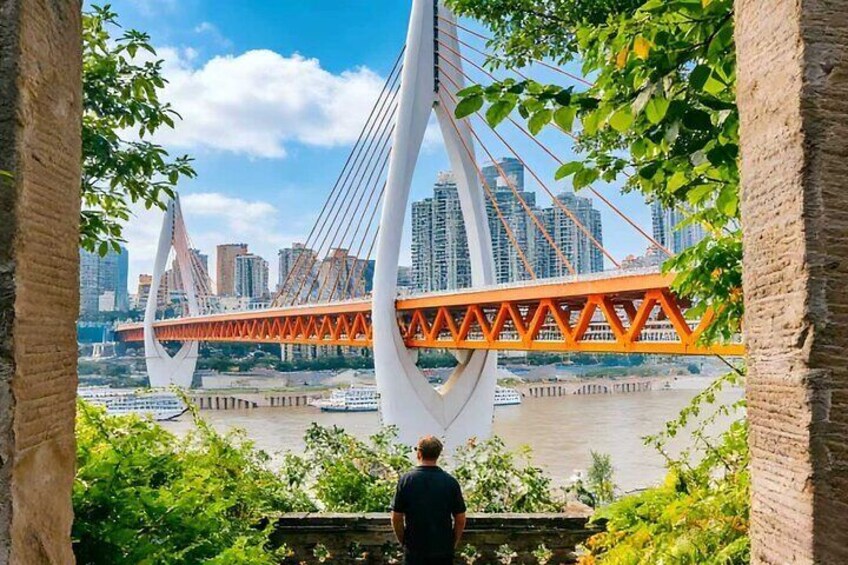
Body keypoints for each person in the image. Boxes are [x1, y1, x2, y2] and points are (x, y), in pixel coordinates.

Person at [391, 435, 467, 565]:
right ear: (438, 455)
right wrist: (452, 543)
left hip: (414, 548)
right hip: (442, 549)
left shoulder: (406, 480)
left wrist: (403, 541)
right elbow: (460, 519)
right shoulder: (450, 482)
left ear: (419, 454)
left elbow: (396, 517)